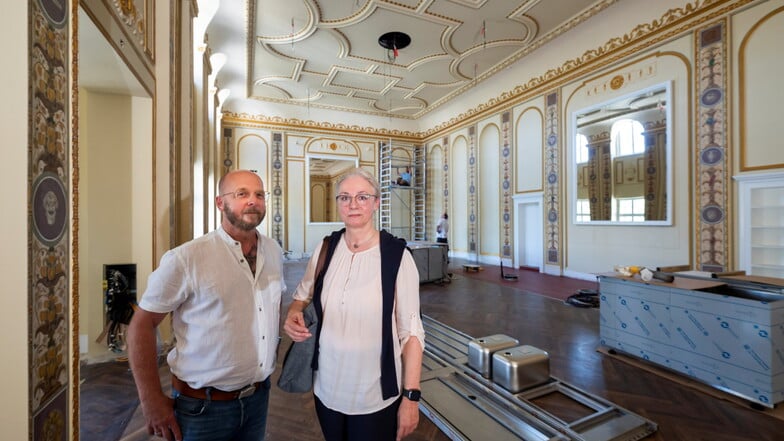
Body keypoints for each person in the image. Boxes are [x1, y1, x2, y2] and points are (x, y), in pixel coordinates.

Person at [127, 170, 286, 441]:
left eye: (259, 194)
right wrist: (151, 399)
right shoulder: (187, 258)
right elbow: (141, 324)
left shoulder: (273, 251)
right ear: (220, 203)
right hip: (202, 409)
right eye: (241, 194)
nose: (253, 201)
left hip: (258, 399)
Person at [283, 168, 425, 441]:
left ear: (376, 203)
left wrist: (411, 397)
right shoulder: (326, 247)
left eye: (362, 197)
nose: (353, 204)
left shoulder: (397, 257)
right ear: (337, 203)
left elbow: (412, 333)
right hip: (326, 388)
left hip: (375, 395)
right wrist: (293, 315)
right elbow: (302, 296)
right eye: (345, 198)